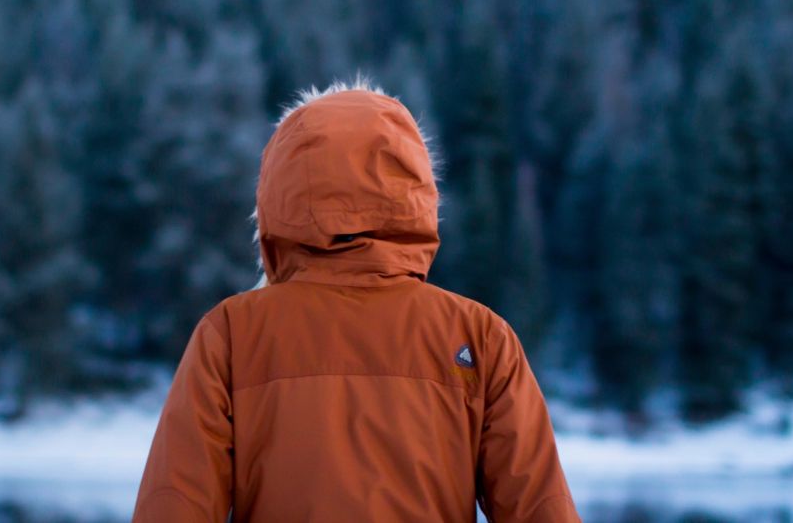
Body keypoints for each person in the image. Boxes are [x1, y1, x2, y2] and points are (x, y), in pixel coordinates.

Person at [132, 79, 581, 522]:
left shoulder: (231, 333)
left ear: (279, 193)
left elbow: (173, 505)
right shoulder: (479, 336)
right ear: (415, 191)